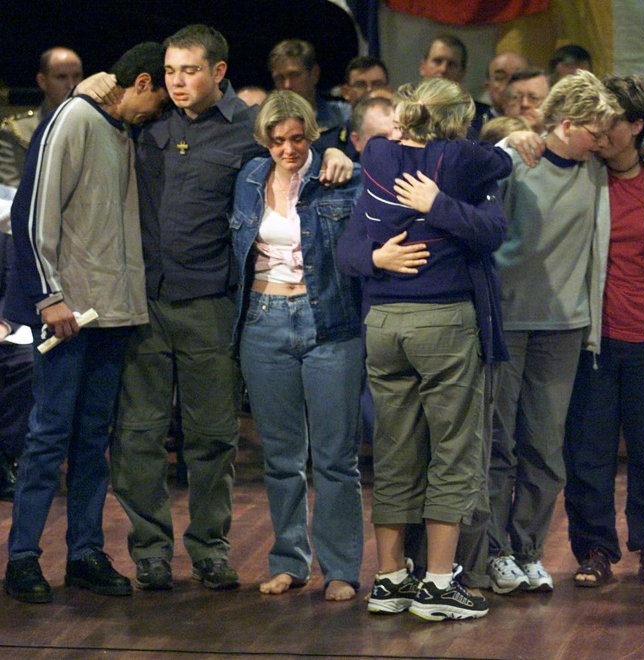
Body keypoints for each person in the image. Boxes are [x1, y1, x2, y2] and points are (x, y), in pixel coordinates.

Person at [106, 24, 354, 594]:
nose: (177, 81)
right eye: (170, 71)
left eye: (189, 70)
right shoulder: (144, 120)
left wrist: (334, 151)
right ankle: (149, 552)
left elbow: (300, 157)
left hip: (213, 304)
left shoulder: (250, 129)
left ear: (218, 72)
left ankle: (212, 551)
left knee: (213, 435)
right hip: (144, 301)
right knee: (139, 434)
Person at [336, 77, 510, 621]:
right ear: (456, 121)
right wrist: (440, 201)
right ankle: (437, 584)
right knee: (453, 450)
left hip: (383, 323)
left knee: (393, 450)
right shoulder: (460, 161)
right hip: (442, 320)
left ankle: (389, 580)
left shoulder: (378, 152)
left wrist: (374, 260)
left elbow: (347, 248)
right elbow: (497, 168)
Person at [3, 41, 168, 604]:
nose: (160, 112)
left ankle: (84, 553)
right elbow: (32, 213)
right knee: (47, 438)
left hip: (113, 314)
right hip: (70, 314)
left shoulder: (121, 129)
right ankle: (23, 557)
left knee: (93, 440)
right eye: (159, 96)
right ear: (141, 82)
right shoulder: (73, 118)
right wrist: (48, 298)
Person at [487, 70, 619, 595]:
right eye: (595, 131)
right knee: (498, 444)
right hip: (508, 321)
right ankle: (495, 552)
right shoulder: (517, 162)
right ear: (567, 124)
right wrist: (504, 141)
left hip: (564, 326)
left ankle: (528, 548)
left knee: (545, 447)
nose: (603, 141)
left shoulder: (595, 171)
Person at [231, 90, 364, 600]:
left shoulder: (336, 176)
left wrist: (340, 155)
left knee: (335, 457)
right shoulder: (248, 179)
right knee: (282, 457)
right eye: (276, 141)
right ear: (263, 140)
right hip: (263, 319)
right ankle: (289, 560)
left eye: (297, 139)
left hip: (327, 320)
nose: (288, 149)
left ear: (312, 134)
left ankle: (341, 569)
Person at [562, 75, 644, 587]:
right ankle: (593, 549)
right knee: (588, 453)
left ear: (636, 127)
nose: (599, 130)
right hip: (592, 338)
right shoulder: (581, 172)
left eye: (610, 120)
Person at [0, 47, 84, 187]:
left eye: (77, 76)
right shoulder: (17, 131)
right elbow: (12, 193)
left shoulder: (93, 126)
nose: (71, 85)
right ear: (42, 81)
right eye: (61, 77)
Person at [0, 228, 32, 501]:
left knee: (27, 364)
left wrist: (3, 323)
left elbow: (13, 287)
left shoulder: (5, 236)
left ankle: (10, 456)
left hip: (4, 330)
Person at [268, 39, 350, 136]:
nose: (287, 85)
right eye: (280, 78)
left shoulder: (343, 115)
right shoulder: (266, 122)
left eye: (294, 75)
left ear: (315, 74)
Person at [503, 69, 550, 133]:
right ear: (505, 105)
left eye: (534, 98)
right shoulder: (492, 140)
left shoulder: (562, 142)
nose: (524, 104)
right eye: (516, 98)